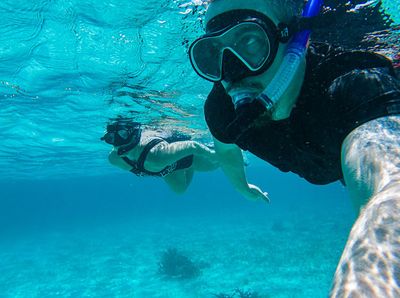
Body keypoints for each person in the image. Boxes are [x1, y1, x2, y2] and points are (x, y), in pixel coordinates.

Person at [189, 0, 400, 296]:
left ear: (293, 39)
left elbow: (393, 188)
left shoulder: (354, 85)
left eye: (250, 41)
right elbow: (226, 153)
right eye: (212, 53)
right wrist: (243, 186)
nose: (232, 71)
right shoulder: (223, 110)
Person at [101, 120, 220, 194]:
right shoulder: (114, 159)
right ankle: (189, 168)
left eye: (123, 135)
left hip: (187, 155)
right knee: (180, 190)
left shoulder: (156, 155)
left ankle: (230, 146)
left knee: (214, 164)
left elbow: (193, 146)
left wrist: (211, 154)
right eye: (110, 138)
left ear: (134, 136)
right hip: (168, 166)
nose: (117, 143)